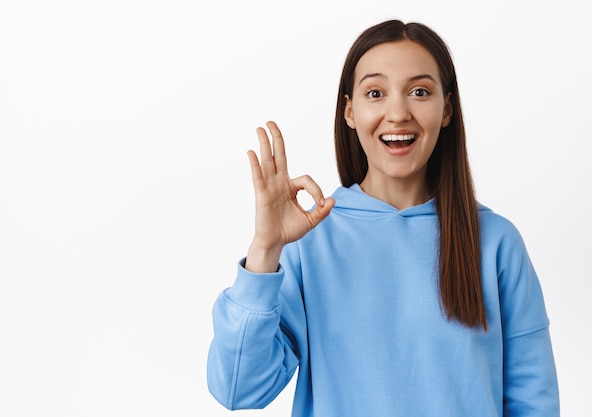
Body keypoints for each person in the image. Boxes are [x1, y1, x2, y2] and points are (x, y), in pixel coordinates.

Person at [207, 19, 559, 417]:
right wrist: (265, 250)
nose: (397, 112)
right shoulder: (311, 242)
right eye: (375, 92)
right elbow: (238, 389)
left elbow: (534, 404)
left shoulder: (495, 242)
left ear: (447, 109)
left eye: (420, 92)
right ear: (350, 111)